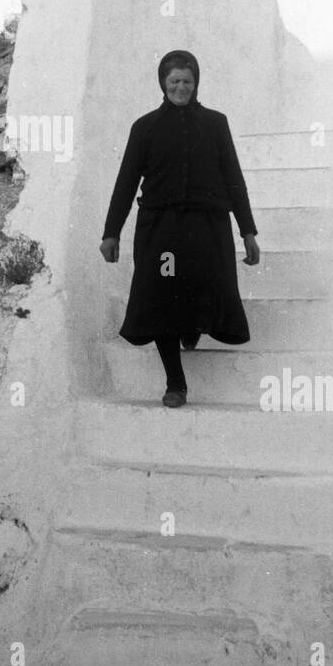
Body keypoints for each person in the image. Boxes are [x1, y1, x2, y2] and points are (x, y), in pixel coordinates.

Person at [99, 50, 260, 407]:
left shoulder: (216, 124)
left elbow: (234, 179)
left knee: (205, 287)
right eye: (174, 81)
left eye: (187, 81)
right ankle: (175, 382)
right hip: (162, 232)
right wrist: (111, 232)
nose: (181, 88)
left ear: (196, 82)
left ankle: (190, 328)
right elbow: (125, 183)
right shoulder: (145, 128)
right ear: (163, 83)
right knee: (160, 295)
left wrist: (247, 230)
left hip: (207, 228)